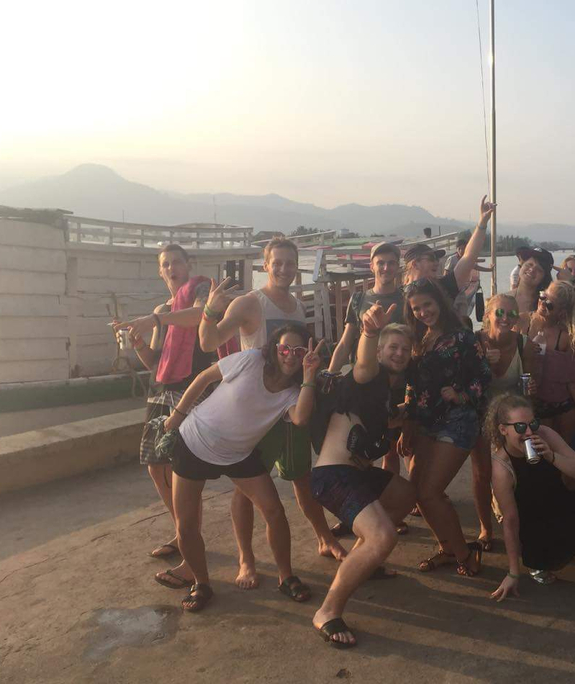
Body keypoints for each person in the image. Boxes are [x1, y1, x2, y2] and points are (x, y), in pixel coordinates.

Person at [198, 236, 346, 587]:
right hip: (257, 411)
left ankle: (324, 538)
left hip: (291, 404)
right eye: (276, 262)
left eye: (289, 263)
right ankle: (246, 559)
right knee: (246, 489)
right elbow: (208, 342)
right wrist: (210, 309)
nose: (283, 268)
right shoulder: (251, 303)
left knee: (301, 477)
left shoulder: (296, 305)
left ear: (297, 268)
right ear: (265, 265)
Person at [160, 324, 322, 612]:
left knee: (274, 510)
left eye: (299, 351)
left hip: (238, 454)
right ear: (275, 348)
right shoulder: (251, 360)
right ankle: (201, 583)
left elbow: (300, 419)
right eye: (285, 348)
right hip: (194, 441)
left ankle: (286, 576)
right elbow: (204, 377)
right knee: (185, 524)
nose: (291, 356)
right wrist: (177, 415)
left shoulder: (295, 390)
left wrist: (309, 376)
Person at [309, 309, 417, 648]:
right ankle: (327, 611)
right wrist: (369, 332)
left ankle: (361, 563)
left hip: (357, 474)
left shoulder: (384, 394)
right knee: (383, 537)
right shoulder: (369, 377)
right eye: (392, 347)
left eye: (405, 349)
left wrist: (411, 409)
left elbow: (391, 418)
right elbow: (362, 364)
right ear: (383, 351)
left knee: (404, 495)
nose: (399, 353)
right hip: (333, 476)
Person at [114, 244, 214, 561]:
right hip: (160, 391)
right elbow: (155, 363)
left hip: (189, 391)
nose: (171, 268)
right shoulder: (162, 309)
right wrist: (138, 342)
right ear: (160, 271)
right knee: (156, 466)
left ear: (188, 265)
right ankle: (183, 531)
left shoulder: (200, 289)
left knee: (184, 472)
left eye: (176, 262)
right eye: (165, 264)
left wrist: (155, 321)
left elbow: (201, 316)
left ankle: (189, 541)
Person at [487, 394, 575, 599]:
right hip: (537, 525)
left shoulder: (544, 434)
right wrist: (513, 572)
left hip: (562, 503)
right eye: (519, 427)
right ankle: (540, 563)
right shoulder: (502, 467)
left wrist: (552, 456)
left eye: (532, 424)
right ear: (503, 430)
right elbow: (510, 520)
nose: (528, 432)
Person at [399, 278, 491, 576]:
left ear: (439, 301)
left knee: (430, 491)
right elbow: (412, 388)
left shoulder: (462, 337)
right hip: (424, 423)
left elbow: (484, 376)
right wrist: (407, 427)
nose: (423, 312)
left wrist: (463, 395)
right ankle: (448, 548)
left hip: (458, 421)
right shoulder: (418, 339)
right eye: (416, 308)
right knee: (415, 492)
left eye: (427, 304)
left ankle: (466, 554)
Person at [471, 294, 535, 550]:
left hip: (510, 415)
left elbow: (529, 387)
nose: (506, 318)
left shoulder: (524, 344)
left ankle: (516, 516)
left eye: (512, 314)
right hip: (478, 411)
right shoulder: (475, 342)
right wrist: (483, 365)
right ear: (487, 315)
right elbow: (466, 380)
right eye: (499, 312)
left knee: (519, 468)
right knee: (482, 471)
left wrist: (532, 387)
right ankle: (485, 527)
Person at [528, 281, 575, 447]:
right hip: (532, 403)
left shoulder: (566, 338)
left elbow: (574, 383)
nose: (542, 303)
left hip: (562, 405)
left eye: (549, 304)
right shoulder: (523, 323)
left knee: (563, 451)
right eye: (542, 296)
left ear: (562, 313)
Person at [328, 242, 405, 373]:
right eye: (380, 263)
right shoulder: (358, 299)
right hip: (364, 372)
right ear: (372, 267)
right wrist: (330, 374)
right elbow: (345, 344)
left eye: (391, 263)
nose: (386, 268)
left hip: (398, 375)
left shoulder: (406, 299)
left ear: (397, 266)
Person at [403, 197, 496, 303]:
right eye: (431, 258)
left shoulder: (443, 288)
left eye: (436, 259)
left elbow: (469, 257)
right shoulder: (398, 297)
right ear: (415, 264)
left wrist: (483, 222)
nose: (436, 262)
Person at [509, 246, 554, 334]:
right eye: (529, 264)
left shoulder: (547, 304)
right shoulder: (503, 298)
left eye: (539, 270)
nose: (532, 270)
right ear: (521, 266)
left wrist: (572, 283)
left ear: (544, 277)